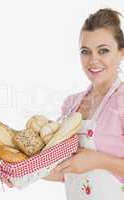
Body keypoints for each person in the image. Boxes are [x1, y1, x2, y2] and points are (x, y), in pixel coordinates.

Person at [44, 8, 124, 199]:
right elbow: (66, 170)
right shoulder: (71, 104)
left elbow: (89, 163)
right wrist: (23, 172)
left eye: (103, 50)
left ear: (121, 52)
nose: (93, 60)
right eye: (85, 51)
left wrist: (98, 160)